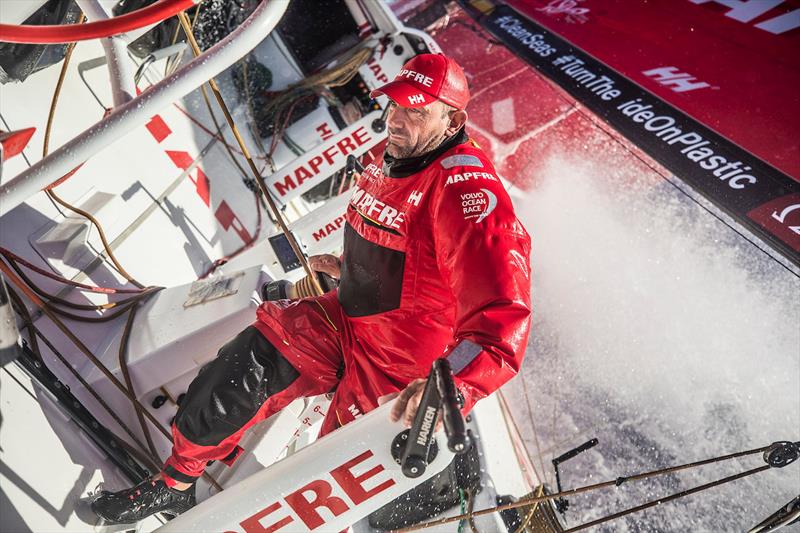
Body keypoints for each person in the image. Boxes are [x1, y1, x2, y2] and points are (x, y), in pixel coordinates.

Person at [92, 52, 532, 524]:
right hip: (348, 319)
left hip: (400, 371)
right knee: (241, 368)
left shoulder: (468, 196)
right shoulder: (399, 153)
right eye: (395, 106)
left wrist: (448, 389)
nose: (398, 121)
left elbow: (500, 324)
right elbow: (408, 250)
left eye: (416, 111)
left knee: (318, 483)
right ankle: (176, 483)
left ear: (453, 120)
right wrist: (349, 268)